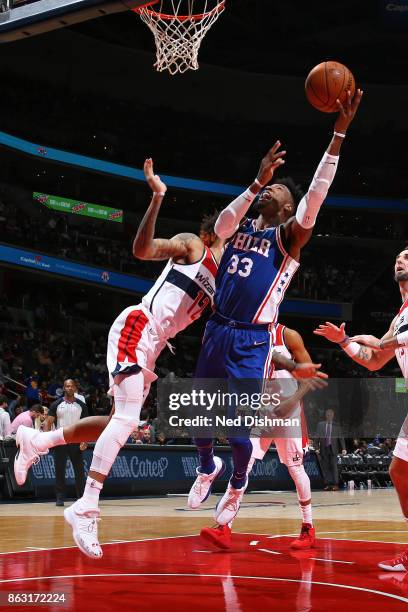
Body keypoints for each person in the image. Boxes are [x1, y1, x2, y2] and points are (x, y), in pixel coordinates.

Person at [15, 160, 326, 558]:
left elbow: (254, 317)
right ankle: (86, 507)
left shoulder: (223, 282)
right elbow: (143, 249)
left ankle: (38, 441)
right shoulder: (193, 247)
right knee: (127, 421)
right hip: (138, 325)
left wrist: (288, 364)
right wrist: (158, 198)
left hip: (155, 344)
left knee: (116, 421)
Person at [188, 89, 363, 524]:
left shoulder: (288, 236)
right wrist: (257, 181)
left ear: (288, 207)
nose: (273, 191)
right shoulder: (243, 222)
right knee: (197, 417)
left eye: (279, 189)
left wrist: (338, 133)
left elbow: (317, 194)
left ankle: (238, 483)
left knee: (239, 427)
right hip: (216, 328)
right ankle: (208, 467)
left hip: (252, 339)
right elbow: (220, 228)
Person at [313, 245, 408, 571]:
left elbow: (384, 345)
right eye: (398, 257)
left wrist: (370, 338)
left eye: (407, 257)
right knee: (399, 471)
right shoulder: (399, 317)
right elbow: (373, 361)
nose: (400, 260)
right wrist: (344, 342)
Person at [200, 324, 324, 550]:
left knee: (296, 470)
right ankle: (224, 528)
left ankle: (308, 527)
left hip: (289, 412)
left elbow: (309, 376)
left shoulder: (289, 335)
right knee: (243, 465)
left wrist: (292, 401)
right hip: (260, 411)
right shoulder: (246, 337)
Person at [47, 379, 89, 507]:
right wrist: (49, 439)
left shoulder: (81, 405)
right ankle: (59, 498)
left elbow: (86, 425)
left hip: (76, 440)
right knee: (60, 470)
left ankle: (81, 498)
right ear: (64, 388)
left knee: (79, 472)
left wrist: (85, 440)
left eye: (71, 386)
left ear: (75, 388)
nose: (69, 388)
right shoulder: (56, 404)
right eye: (67, 386)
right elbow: (49, 423)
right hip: (61, 440)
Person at [315, 408, 346, 491]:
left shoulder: (337, 425)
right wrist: (317, 448)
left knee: (334, 467)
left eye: (331, 415)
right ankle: (328, 484)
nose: (329, 416)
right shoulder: (320, 425)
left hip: (333, 448)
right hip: (324, 448)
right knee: (326, 467)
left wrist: (343, 448)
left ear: (333, 416)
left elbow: (341, 438)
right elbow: (316, 437)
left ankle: (335, 484)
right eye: (328, 415)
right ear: (326, 416)